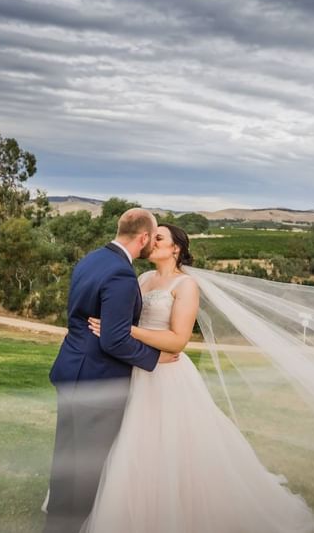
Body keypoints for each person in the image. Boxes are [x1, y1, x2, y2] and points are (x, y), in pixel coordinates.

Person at [81, 224, 314, 533]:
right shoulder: (142, 278)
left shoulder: (187, 285)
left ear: (176, 248)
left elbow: (178, 341)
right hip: (138, 369)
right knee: (134, 444)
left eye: (159, 238)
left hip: (168, 375)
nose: (151, 242)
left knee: (171, 445)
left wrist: (125, 331)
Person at [44, 208, 180, 533]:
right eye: (154, 237)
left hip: (71, 369)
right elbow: (114, 340)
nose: (154, 243)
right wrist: (154, 358)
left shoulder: (92, 259)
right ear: (143, 238)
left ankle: (56, 525)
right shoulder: (121, 274)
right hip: (98, 379)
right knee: (88, 468)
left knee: (67, 457)